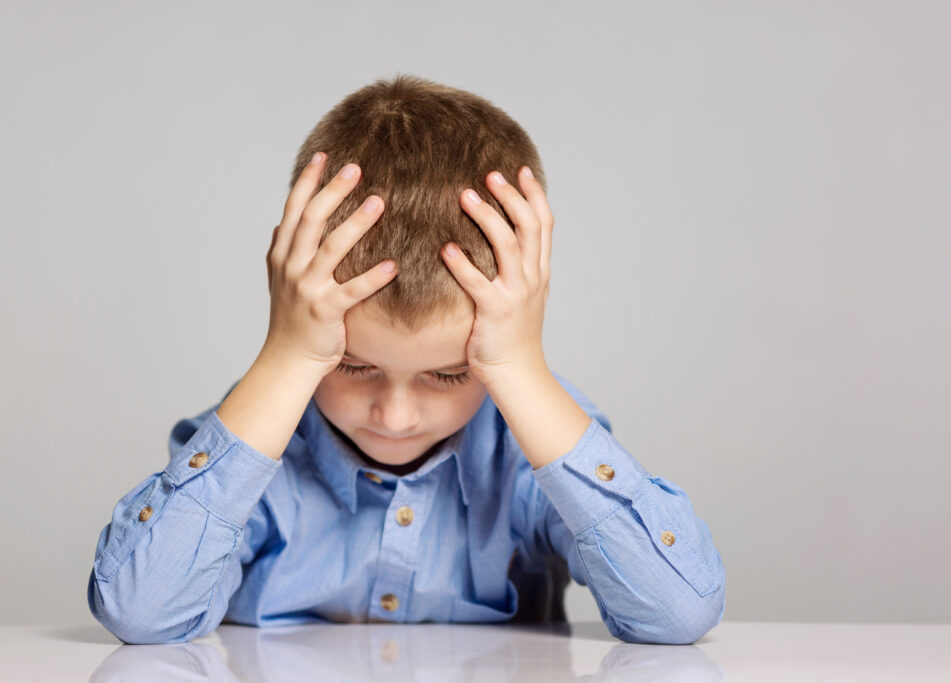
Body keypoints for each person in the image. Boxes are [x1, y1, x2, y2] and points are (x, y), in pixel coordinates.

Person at [87, 75, 726, 645]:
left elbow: (677, 613)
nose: (394, 417)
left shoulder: (527, 446)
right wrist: (286, 357)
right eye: (352, 366)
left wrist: (523, 372)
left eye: (449, 375)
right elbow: (142, 614)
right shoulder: (257, 443)